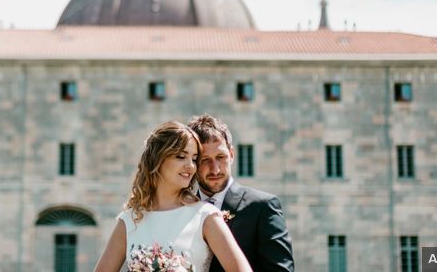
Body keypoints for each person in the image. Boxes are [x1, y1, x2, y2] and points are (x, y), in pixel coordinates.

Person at [94, 121, 253, 272]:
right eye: (181, 156)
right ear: (158, 159)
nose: (190, 166)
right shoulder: (129, 220)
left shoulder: (205, 216)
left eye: (194, 158)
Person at [187, 114, 294, 272]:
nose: (215, 169)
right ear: (193, 162)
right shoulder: (182, 210)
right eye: (205, 160)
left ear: (231, 154)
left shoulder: (263, 207)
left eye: (220, 157)